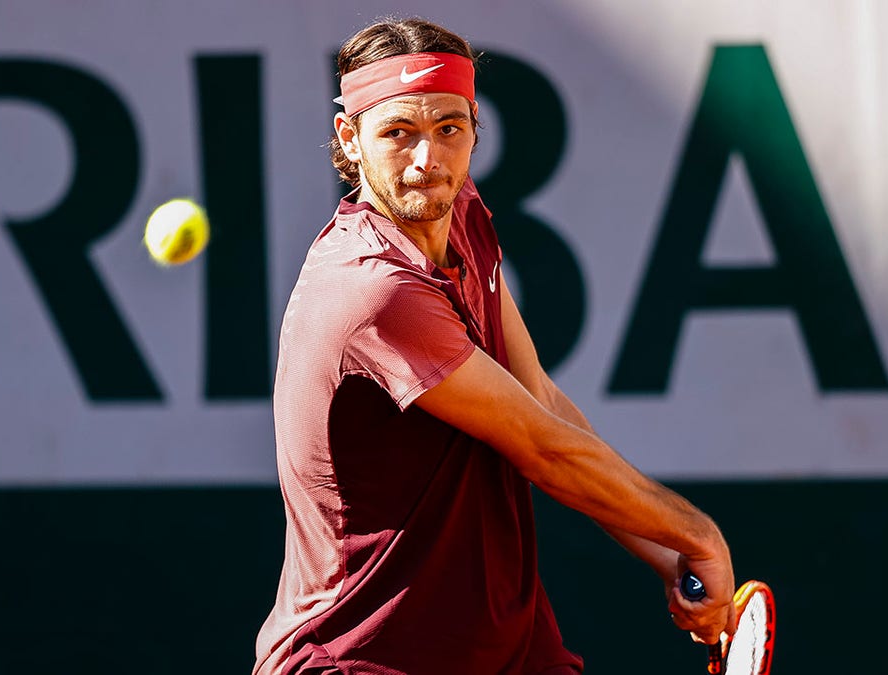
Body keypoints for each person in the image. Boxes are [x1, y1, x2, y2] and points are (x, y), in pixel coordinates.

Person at [254, 17, 736, 674]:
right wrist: (697, 533)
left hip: (502, 647)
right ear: (350, 138)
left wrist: (669, 553)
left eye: (449, 129)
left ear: (475, 129)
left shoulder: (466, 218)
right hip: (363, 657)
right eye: (398, 133)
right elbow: (540, 447)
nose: (429, 159)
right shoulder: (371, 290)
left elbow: (539, 398)